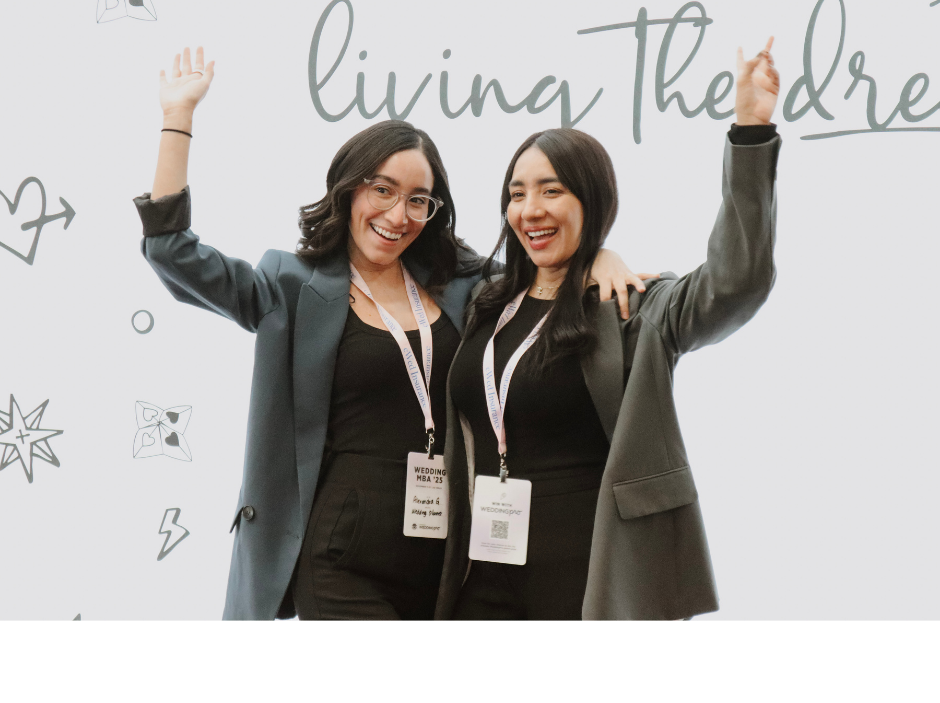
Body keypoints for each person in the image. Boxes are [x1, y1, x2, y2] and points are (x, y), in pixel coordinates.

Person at [133, 47, 647, 620]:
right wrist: (177, 119)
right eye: (382, 190)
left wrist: (600, 254)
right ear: (349, 188)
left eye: (417, 200)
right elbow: (172, 252)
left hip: (445, 559)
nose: (397, 214)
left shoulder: (466, 284)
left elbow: (542, 271)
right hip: (338, 553)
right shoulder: (290, 285)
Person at [436, 39, 782, 621]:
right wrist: (594, 254)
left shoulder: (635, 306)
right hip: (481, 577)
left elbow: (737, 281)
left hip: (592, 579)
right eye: (517, 194)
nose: (530, 209)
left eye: (552, 190)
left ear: (591, 201)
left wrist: (749, 131)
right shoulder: (485, 301)